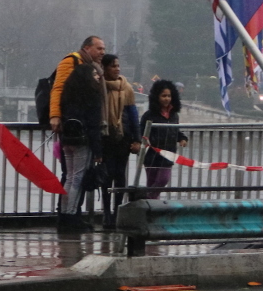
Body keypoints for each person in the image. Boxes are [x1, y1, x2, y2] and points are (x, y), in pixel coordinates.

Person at [57, 54, 105, 229]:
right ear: (87, 78)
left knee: (69, 177)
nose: (97, 77)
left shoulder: (68, 94)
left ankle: (63, 214)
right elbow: (94, 125)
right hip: (83, 142)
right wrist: (98, 151)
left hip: (66, 140)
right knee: (77, 178)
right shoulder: (92, 95)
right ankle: (71, 217)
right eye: (94, 74)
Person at [100, 54, 139, 229]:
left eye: (118, 66)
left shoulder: (126, 88)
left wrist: (137, 139)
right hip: (105, 137)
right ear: (105, 68)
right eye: (113, 66)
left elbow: (133, 115)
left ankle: (117, 212)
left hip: (123, 137)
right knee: (106, 177)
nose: (117, 69)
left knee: (120, 176)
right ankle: (106, 214)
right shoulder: (99, 87)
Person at [140, 79, 187, 196]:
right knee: (151, 183)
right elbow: (141, 131)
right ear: (157, 97)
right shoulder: (149, 115)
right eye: (163, 96)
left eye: (169, 96)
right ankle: (151, 208)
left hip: (168, 155)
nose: (166, 99)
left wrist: (182, 138)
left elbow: (175, 131)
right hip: (152, 156)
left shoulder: (174, 115)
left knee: (163, 179)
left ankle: (148, 201)